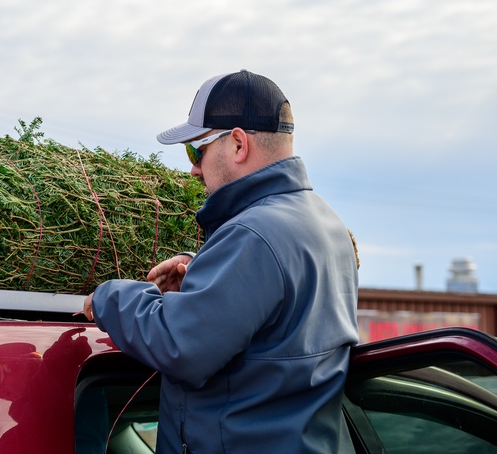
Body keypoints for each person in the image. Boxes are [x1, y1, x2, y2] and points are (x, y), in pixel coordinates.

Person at [83, 69, 359, 453]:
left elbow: (180, 346)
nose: (193, 168)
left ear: (238, 144)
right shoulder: (325, 224)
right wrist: (204, 269)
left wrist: (109, 297)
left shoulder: (254, 235)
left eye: (196, 150)